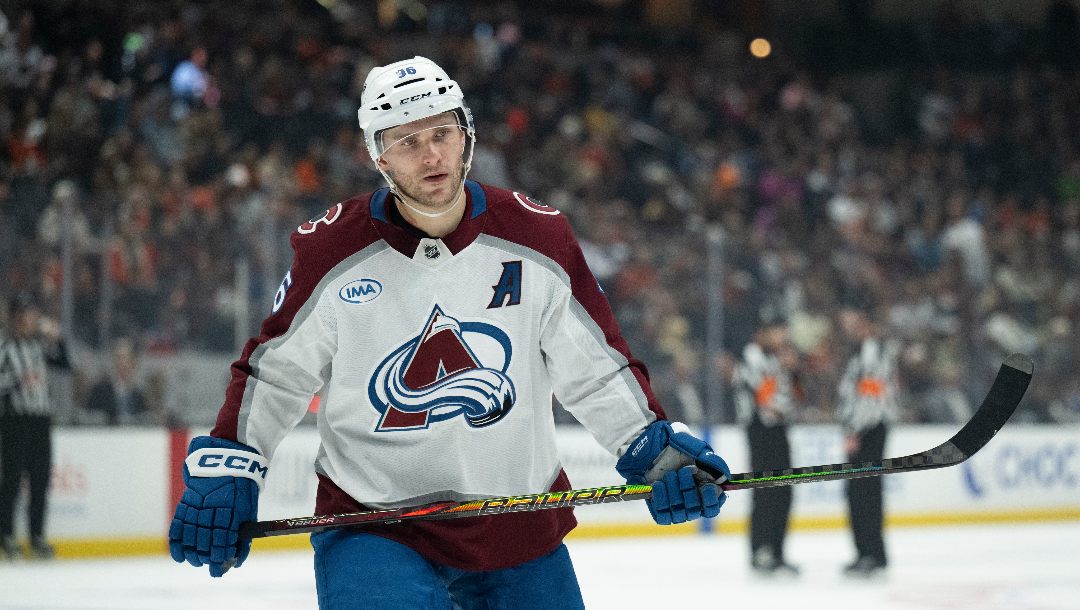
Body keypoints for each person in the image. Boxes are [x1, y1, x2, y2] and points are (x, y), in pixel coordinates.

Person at [168, 56, 731, 609]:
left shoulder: (538, 238)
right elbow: (276, 374)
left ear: (466, 135)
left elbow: (595, 370)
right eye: (407, 142)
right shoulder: (330, 251)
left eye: (441, 133)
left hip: (516, 521)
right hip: (377, 527)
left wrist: (653, 448)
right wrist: (234, 461)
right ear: (378, 155)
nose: (431, 154)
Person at [0, 294, 72, 560]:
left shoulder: (39, 347)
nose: (33, 320)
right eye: (28, 314)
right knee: (12, 480)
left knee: (40, 480)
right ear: (17, 317)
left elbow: (65, 364)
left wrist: (58, 339)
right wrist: (20, 380)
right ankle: (6, 534)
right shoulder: (5, 347)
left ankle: (36, 535)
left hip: (41, 421)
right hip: (15, 420)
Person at [733, 314, 800, 576]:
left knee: (783, 491)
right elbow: (768, 404)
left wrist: (792, 371)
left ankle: (777, 551)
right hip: (760, 432)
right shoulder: (752, 359)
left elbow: (794, 397)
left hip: (777, 431)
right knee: (765, 491)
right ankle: (761, 550)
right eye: (776, 332)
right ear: (762, 333)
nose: (781, 337)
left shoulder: (774, 359)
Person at [836, 304, 899, 578]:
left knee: (864, 493)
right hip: (867, 429)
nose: (848, 328)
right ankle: (868, 553)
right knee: (863, 492)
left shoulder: (871, 353)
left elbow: (869, 398)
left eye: (853, 322)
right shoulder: (865, 352)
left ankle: (870, 553)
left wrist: (854, 430)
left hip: (868, 430)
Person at [83, 337, 150, 425]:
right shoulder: (99, 391)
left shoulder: (139, 395)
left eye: (127, 359)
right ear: (113, 362)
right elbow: (88, 417)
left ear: (134, 364)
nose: (123, 363)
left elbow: (145, 419)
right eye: (119, 358)